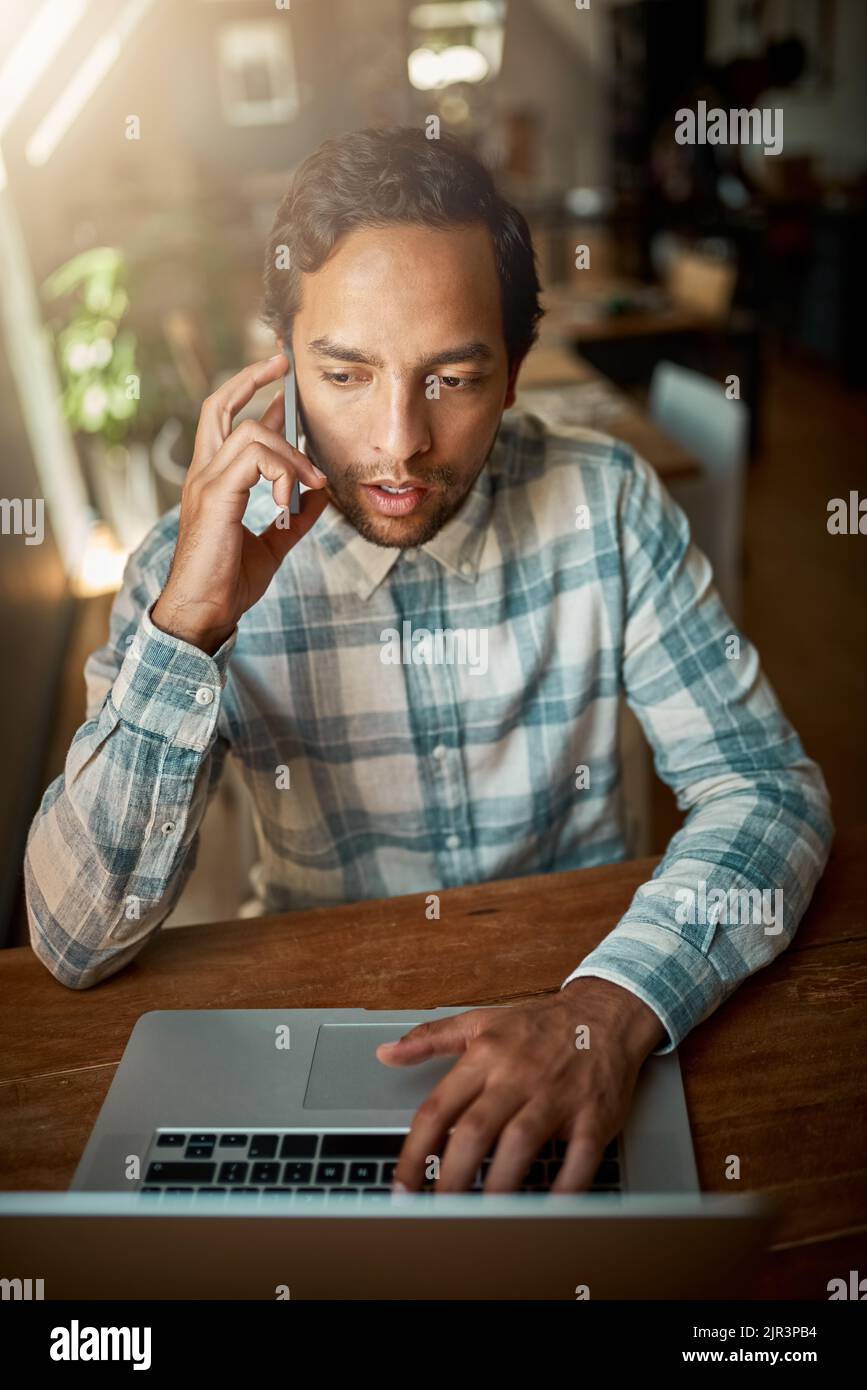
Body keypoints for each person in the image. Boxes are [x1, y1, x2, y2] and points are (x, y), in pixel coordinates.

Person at [24, 126, 833, 1194]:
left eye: (451, 377)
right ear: (281, 361)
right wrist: (191, 625)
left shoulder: (608, 503)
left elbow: (768, 792)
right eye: (346, 373)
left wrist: (609, 1011)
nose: (398, 441)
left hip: (587, 1008)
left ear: (513, 374)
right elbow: (75, 939)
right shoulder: (193, 563)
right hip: (317, 1040)